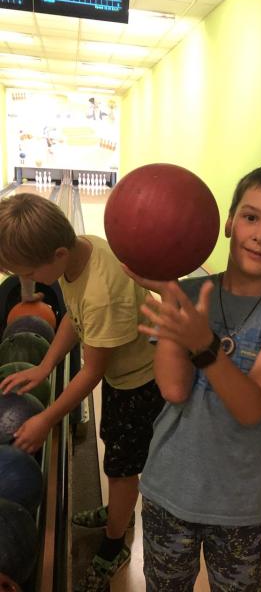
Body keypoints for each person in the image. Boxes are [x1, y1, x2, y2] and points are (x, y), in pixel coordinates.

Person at [126, 163, 261, 590]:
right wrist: (170, 292)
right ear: (229, 223)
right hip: (168, 491)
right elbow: (174, 388)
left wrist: (205, 345)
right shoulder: (187, 295)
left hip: (240, 508)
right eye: (251, 217)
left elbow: (252, 407)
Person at [0, 193, 165, 592]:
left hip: (143, 381)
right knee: (115, 454)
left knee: (122, 467)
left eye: (30, 273)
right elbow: (74, 321)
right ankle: (117, 511)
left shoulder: (101, 294)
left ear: (57, 254)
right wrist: (45, 366)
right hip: (124, 374)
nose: (31, 282)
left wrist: (46, 418)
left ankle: (115, 542)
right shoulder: (80, 250)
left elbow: (92, 371)